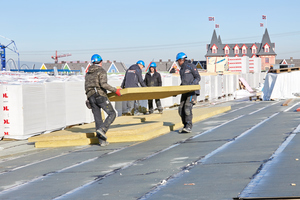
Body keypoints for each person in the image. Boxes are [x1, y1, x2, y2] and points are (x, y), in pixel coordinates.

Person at [85, 54, 121, 146]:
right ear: (101, 62)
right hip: (100, 95)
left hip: (90, 97)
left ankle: (102, 141)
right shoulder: (101, 71)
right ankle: (103, 129)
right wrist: (115, 90)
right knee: (112, 113)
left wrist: (88, 99)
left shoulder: (88, 73)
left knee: (98, 119)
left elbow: (86, 86)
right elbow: (103, 84)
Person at [176, 52, 201, 133]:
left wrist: (192, 85)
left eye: (178, 61)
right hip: (185, 91)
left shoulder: (191, 66)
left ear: (182, 59)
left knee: (187, 108)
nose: (178, 63)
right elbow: (183, 82)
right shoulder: (181, 70)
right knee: (181, 109)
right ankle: (185, 126)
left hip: (192, 91)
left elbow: (198, 77)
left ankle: (189, 126)